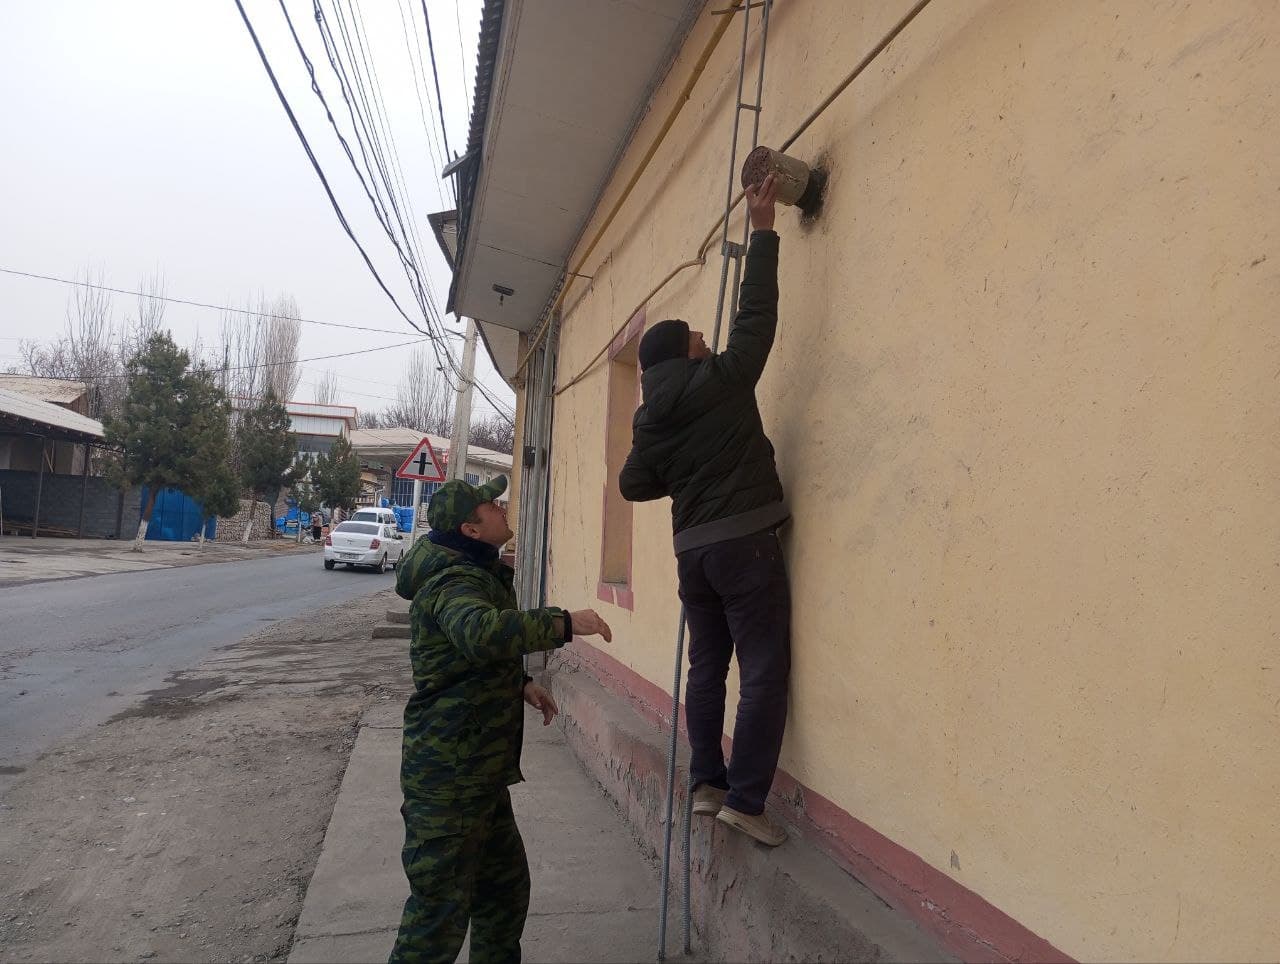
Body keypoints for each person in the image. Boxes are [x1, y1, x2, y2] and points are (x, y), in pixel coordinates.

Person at [618, 174, 791, 847]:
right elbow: (757, 318)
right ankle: (746, 801)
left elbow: (635, 484)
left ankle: (705, 785)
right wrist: (765, 228)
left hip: (693, 553)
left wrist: (683, 472)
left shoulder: (649, 421)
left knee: (707, 669)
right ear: (682, 354)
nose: (704, 336)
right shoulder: (719, 380)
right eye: (694, 335)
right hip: (746, 544)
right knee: (764, 669)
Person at [390, 475, 612, 962]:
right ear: (470, 529)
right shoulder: (455, 580)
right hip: (450, 778)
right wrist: (565, 622)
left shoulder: (476, 570)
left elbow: (462, 659)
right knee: (436, 920)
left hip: (479, 778)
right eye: (491, 504)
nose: (502, 507)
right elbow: (479, 632)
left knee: (502, 897)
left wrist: (519, 685)